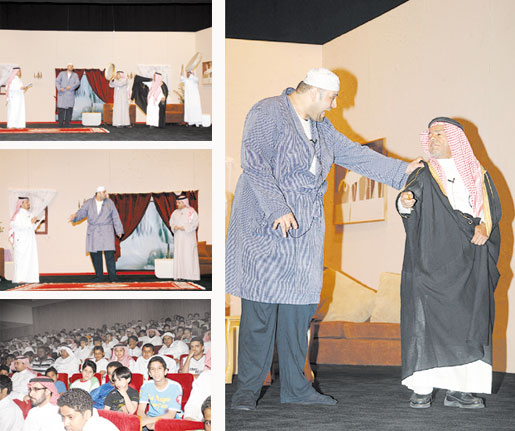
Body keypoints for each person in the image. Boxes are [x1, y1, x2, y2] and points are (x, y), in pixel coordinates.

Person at [226, 67, 423, 410]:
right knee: (260, 312)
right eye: (332, 98)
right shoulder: (268, 111)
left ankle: (296, 388)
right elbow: (254, 164)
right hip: (267, 224)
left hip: (305, 232)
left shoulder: (322, 128)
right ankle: (246, 390)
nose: (333, 105)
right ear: (315, 92)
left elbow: (356, 154)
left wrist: (402, 170)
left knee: (299, 312)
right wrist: (277, 208)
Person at [397, 117, 502, 409]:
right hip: (432, 256)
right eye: (430, 134)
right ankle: (422, 388)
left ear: (456, 140)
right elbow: (407, 199)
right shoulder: (423, 172)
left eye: (440, 134)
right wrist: (405, 202)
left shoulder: (479, 174)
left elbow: (491, 211)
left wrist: (484, 227)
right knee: (425, 319)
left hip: (470, 256)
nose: (432, 138)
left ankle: (461, 390)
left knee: (469, 321)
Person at [69, 186, 124, 282]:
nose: (106, 194)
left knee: (109, 255)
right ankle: (99, 277)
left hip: (106, 230)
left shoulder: (110, 203)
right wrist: (75, 216)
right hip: (94, 231)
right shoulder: (89, 203)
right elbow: (82, 212)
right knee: (95, 255)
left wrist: (119, 230)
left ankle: (113, 278)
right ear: (98, 193)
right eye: (104, 192)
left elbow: (115, 216)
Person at [137, 356, 183, 429]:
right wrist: (147, 421)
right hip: (150, 418)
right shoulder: (145, 386)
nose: (156, 371)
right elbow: (140, 410)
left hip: (169, 420)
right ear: (149, 373)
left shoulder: (175, 387)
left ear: (166, 371)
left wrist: (149, 421)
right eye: (153, 369)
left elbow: (171, 414)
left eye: (159, 368)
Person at [9, 196, 40, 284]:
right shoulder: (17, 215)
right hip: (21, 240)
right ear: (21, 204)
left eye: (28, 202)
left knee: (31, 258)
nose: (29, 204)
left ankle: (31, 278)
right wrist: (30, 222)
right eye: (27, 202)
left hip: (30, 240)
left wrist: (35, 223)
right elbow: (18, 226)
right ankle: (20, 278)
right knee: (21, 259)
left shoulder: (30, 214)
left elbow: (32, 227)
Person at [170, 194, 200, 281]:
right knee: (179, 256)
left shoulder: (191, 212)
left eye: (179, 203)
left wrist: (185, 227)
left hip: (188, 239)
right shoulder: (175, 213)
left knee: (188, 256)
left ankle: (190, 276)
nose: (177, 204)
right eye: (177, 202)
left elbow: (195, 224)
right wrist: (174, 227)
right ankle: (179, 275)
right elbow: (171, 223)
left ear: (184, 203)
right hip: (178, 238)